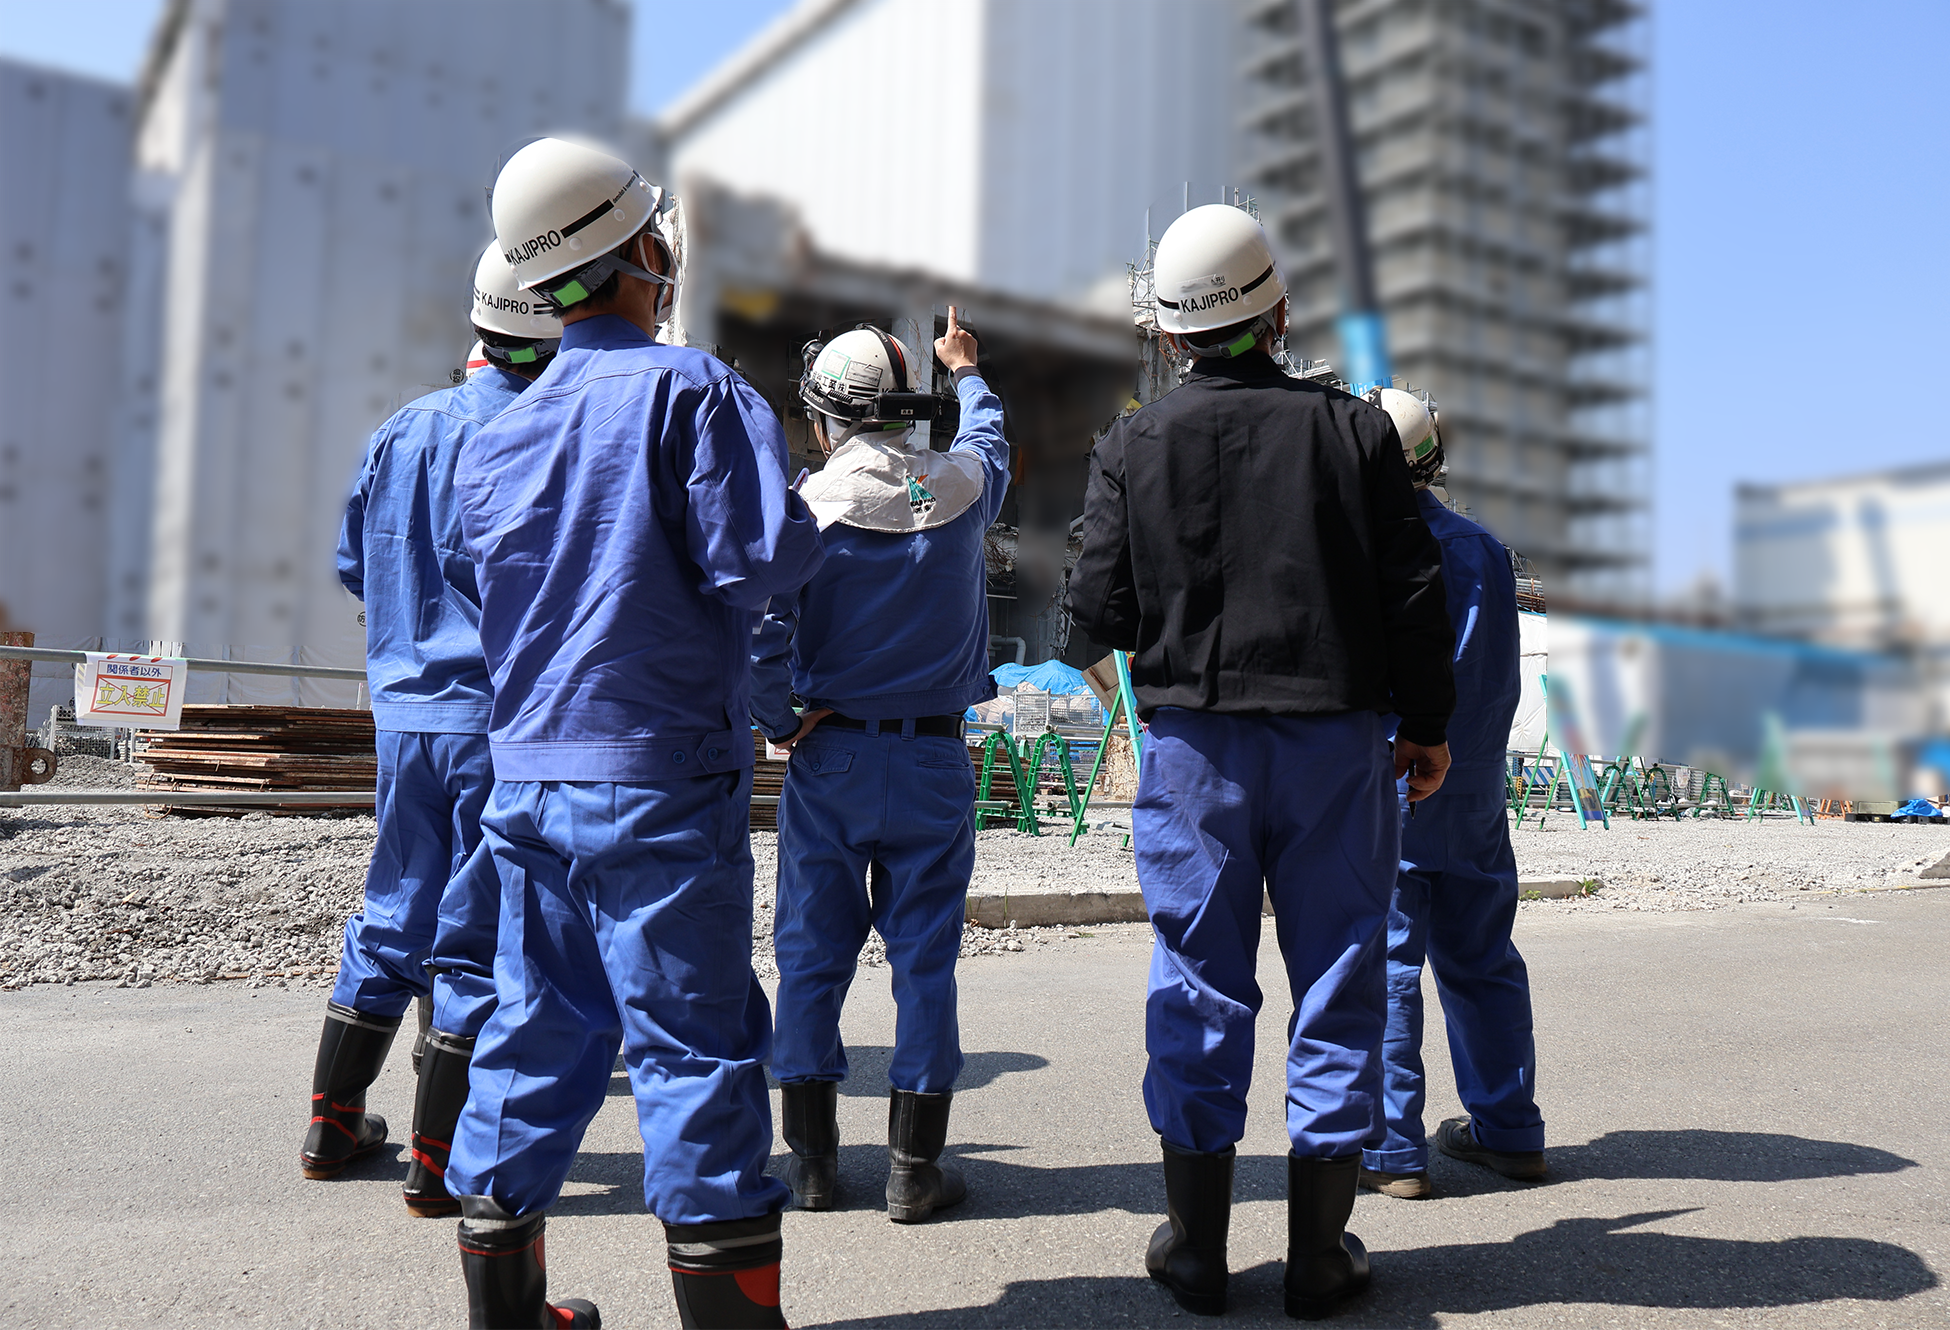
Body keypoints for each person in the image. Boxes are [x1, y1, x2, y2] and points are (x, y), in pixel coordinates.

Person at [444, 137, 822, 1330]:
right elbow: (761, 562)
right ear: (642, 249)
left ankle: (505, 1313)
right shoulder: (693, 390)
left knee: (533, 1028)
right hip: (658, 775)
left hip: (528, 780)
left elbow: (476, 588)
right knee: (691, 1044)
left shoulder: (496, 434)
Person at [1066, 204, 1455, 1320]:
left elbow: (1092, 612)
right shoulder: (1358, 435)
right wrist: (1427, 724)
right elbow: (1412, 594)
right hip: (1337, 741)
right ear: (1277, 313)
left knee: (1198, 977)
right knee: (1337, 973)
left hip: (1196, 747)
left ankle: (1196, 1249)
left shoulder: (1132, 442)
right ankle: (1319, 1255)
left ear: (1169, 333)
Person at [302, 241, 561, 1204]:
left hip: (405, 715)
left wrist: (411, 629)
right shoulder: (543, 435)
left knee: (394, 907)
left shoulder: (404, 427)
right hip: (497, 723)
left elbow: (355, 563)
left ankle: (332, 1125)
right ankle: (434, 1160)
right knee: (475, 934)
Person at [748, 310, 1007, 1222]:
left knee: (810, 956)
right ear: (909, 411)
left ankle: (813, 1165)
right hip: (934, 756)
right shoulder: (956, 490)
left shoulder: (810, 507)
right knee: (925, 961)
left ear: (826, 417)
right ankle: (912, 1169)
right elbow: (987, 439)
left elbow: (761, 635)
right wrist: (966, 370)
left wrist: (781, 720)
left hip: (833, 757)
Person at [1357, 388, 1545, 1199]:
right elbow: (1497, 678)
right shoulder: (1486, 549)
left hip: (1393, 778)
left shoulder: (1363, 547)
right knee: (1484, 958)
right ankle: (1509, 1129)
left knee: (1388, 962)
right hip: (1474, 790)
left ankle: (1394, 1150)